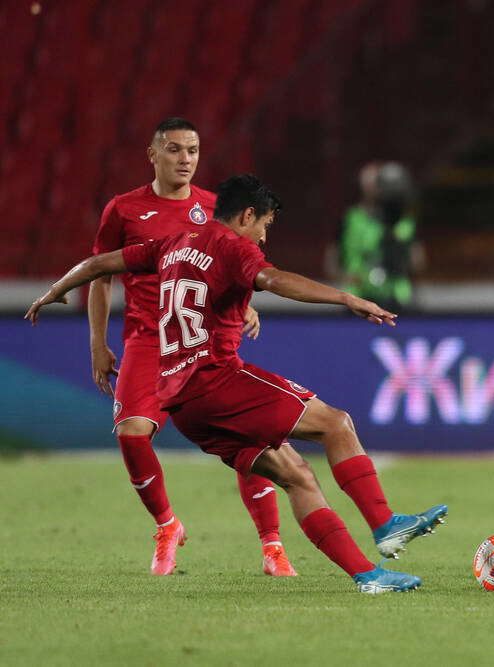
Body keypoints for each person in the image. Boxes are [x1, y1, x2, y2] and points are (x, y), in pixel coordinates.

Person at [29, 174, 447, 593]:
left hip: (181, 401)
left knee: (295, 475)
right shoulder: (232, 246)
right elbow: (275, 280)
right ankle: (386, 525)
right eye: (264, 224)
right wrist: (345, 298)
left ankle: (369, 576)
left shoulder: (172, 244)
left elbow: (100, 263)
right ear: (247, 215)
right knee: (337, 423)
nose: (263, 237)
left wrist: (55, 289)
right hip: (217, 380)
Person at [89, 117, 297, 576]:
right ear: (153, 154)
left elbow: (241, 262)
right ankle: (167, 525)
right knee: (131, 433)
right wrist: (97, 344)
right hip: (146, 339)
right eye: (175, 149)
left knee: (247, 439)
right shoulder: (123, 210)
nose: (185, 159)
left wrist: (244, 304)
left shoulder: (214, 207)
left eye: (193, 151)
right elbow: (100, 276)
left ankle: (273, 545)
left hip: (203, 343)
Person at [339, 162, 418, 311]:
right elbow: (338, 258)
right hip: (358, 295)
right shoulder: (352, 219)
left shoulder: (405, 222)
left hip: (397, 296)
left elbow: (414, 261)